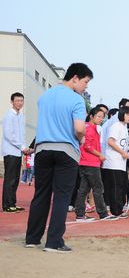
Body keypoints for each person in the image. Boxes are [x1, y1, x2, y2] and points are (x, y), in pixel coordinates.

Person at [25, 63, 91, 252]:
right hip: (66, 151)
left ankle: (32, 238)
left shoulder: (45, 96)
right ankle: (54, 242)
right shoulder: (77, 100)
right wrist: (82, 137)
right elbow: (79, 128)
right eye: (85, 82)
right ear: (75, 78)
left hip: (43, 149)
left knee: (41, 194)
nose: (86, 86)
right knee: (62, 196)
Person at [74, 106, 117, 222]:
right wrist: (99, 155)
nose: (100, 119)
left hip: (87, 162)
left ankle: (80, 214)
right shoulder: (89, 128)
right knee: (98, 188)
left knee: (84, 189)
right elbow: (87, 146)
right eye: (98, 116)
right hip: (90, 162)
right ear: (91, 116)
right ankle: (102, 213)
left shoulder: (92, 128)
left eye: (102, 117)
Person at [103, 107, 129, 218]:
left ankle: (118, 209)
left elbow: (123, 145)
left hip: (120, 163)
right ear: (121, 114)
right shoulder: (116, 126)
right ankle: (116, 211)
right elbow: (110, 141)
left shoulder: (124, 127)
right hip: (113, 162)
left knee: (121, 186)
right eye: (127, 114)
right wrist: (123, 153)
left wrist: (128, 154)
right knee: (116, 187)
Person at [2, 92, 31, 212]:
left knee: (15, 179)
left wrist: (24, 147)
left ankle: (12, 203)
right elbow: (10, 135)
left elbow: (21, 135)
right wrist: (22, 147)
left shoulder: (20, 116)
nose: (20, 103)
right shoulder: (9, 115)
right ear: (12, 101)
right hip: (10, 151)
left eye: (21, 100)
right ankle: (7, 205)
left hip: (17, 151)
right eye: (17, 100)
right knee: (10, 179)